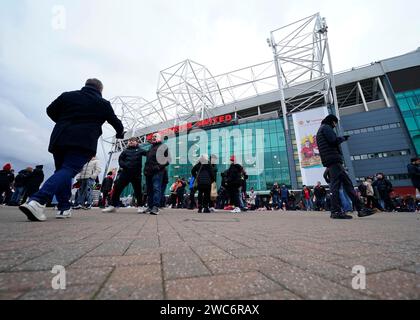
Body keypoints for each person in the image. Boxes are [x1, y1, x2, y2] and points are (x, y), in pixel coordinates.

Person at [20, 79, 124, 221]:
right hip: (83, 141)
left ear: (86, 85)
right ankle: (38, 200)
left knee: (62, 172)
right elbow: (116, 122)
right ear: (100, 90)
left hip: (60, 138)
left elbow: (49, 110)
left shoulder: (67, 95)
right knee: (68, 170)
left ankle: (64, 207)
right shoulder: (103, 104)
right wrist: (120, 134)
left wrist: (63, 121)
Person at [317, 114, 374, 219]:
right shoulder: (326, 128)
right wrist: (343, 138)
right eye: (335, 123)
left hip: (331, 160)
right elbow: (333, 141)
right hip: (334, 160)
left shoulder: (321, 130)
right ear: (332, 121)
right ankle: (336, 211)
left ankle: (360, 209)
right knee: (337, 186)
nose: (335, 125)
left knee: (347, 184)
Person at [103, 137, 147, 214]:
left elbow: (149, 154)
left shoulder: (140, 150)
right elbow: (120, 159)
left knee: (138, 191)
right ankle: (113, 206)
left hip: (136, 174)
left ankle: (140, 206)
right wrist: (124, 165)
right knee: (117, 188)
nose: (130, 142)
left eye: (133, 141)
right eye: (129, 141)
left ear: (137, 142)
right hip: (125, 173)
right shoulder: (125, 151)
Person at [144, 133, 170, 215]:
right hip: (148, 172)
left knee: (156, 188)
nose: (153, 138)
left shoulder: (163, 147)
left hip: (158, 171)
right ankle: (150, 206)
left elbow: (168, 159)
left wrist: (159, 167)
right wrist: (145, 170)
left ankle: (155, 206)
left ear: (160, 138)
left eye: (155, 137)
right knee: (149, 190)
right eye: (153, 137)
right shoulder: (150, 148)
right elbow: (147, 161)